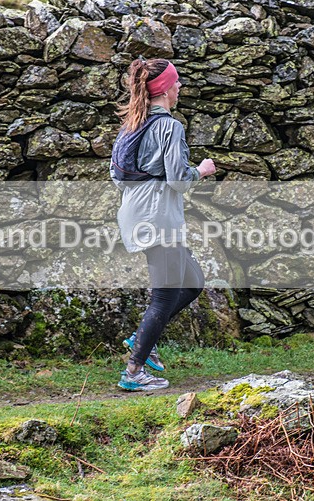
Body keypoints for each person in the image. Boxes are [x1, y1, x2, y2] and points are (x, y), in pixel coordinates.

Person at [110, 57, 216, 391]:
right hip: (158, 218)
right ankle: (134, 372)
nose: (180, 86)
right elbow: (179, 180)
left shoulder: (132, 124)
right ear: (166, 89)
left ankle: (143, 338)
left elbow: (117, 176)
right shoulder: (170, 126)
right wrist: (202, 170)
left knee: (193, 281)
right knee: (164, 296)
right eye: (177, 81)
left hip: (137, 213)